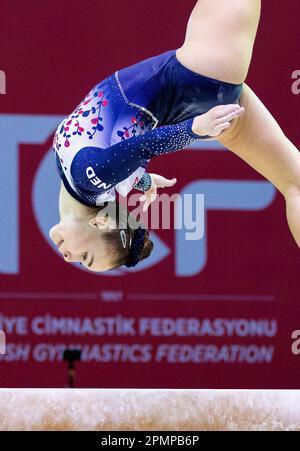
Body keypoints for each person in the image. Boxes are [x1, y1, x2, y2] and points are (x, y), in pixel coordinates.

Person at [49, 0, 300, 272]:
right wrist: (193, 129)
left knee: (295, 185)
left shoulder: (93, 188)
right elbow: (139, 148)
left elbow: (119, 162)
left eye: (84, 259)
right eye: (84, 256)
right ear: (101, 223)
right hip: (196, 78)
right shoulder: (87, 177)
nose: (69, 258)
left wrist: (142, 181)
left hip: (202, 98)